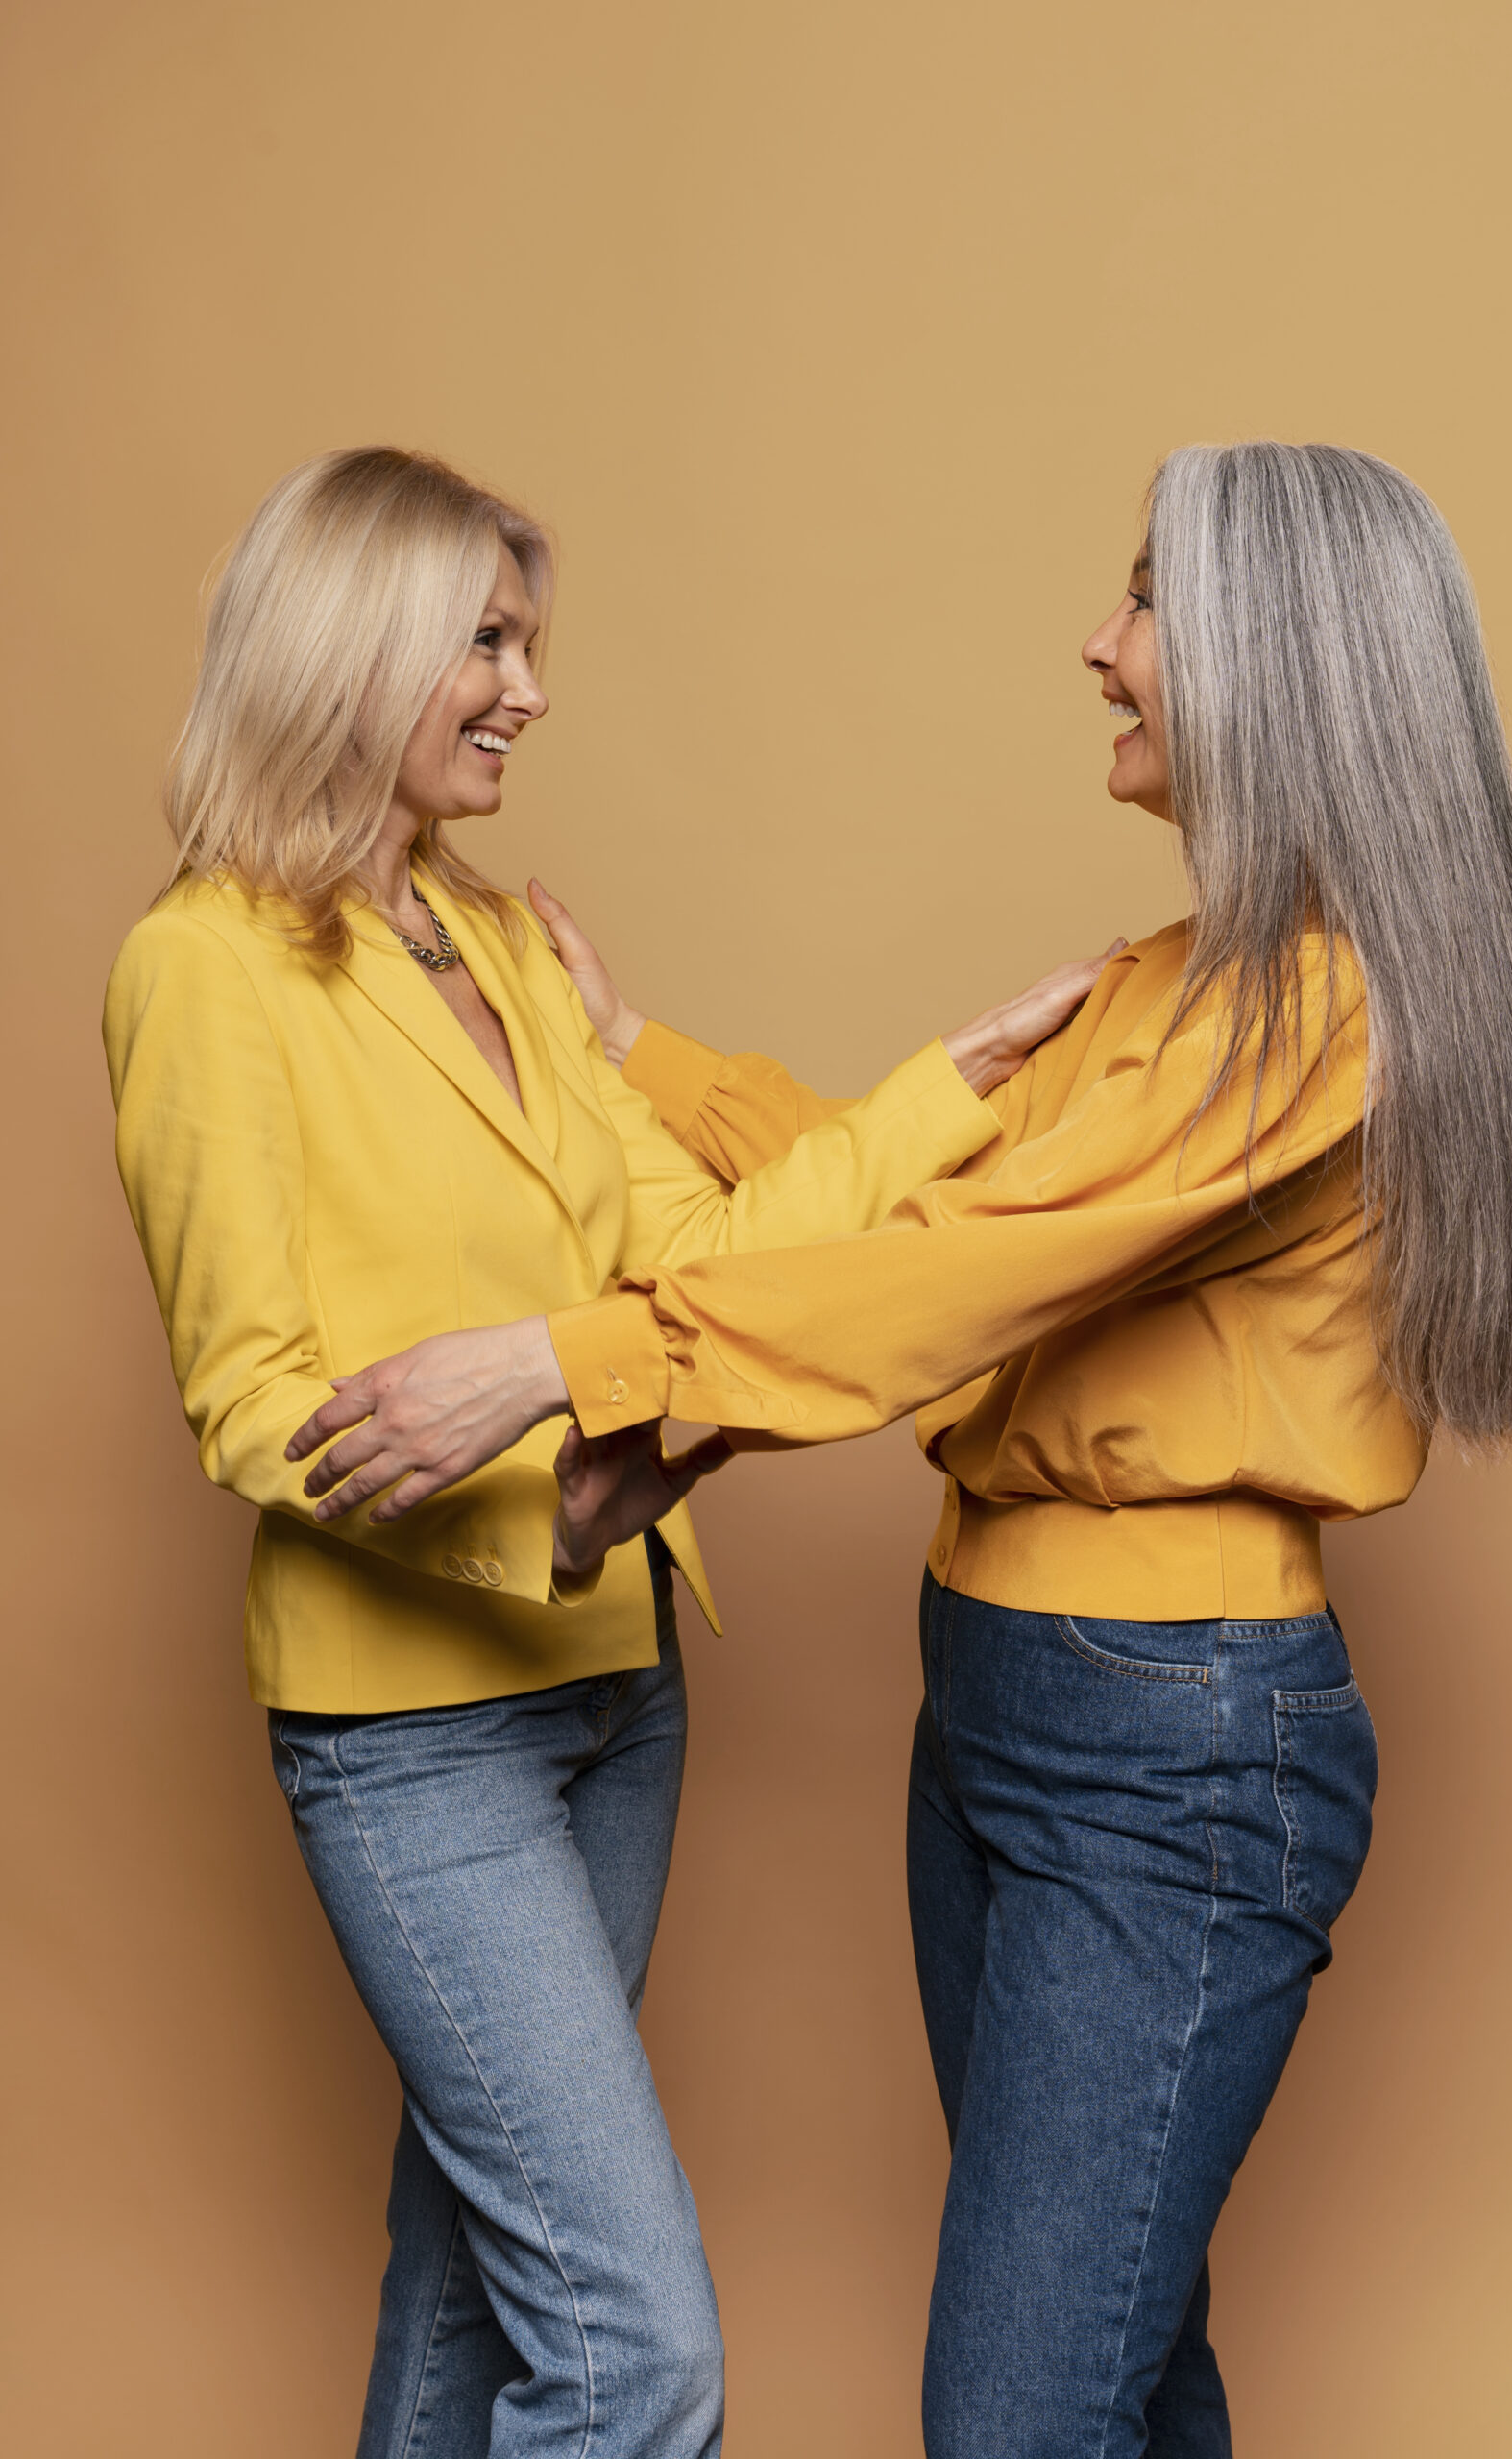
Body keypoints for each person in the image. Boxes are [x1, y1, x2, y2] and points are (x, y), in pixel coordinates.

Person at [290, 441, 1512, 2459]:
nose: (1099, 645)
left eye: (1145, 607)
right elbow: (928, 1201)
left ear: (1273, 659)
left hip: (1168, 1748)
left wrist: (565, 1360)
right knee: (1113, 2365)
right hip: (1005, 1699)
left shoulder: (1313, 1017)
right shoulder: (1174, 981)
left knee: (1022, 2414)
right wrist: (656, 1064)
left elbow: (957, 1279)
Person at [102, 444, 1114, 2459]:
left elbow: (696, 1256)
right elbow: (246, 1391)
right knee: (628, 2351)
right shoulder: (202, 965)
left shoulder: (487, 939)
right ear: (352, 646)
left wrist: (948, 1087)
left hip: (613, 1695)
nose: (527, 687)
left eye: (525, 638)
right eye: (483, 637)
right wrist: (549, 1513)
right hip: (415, 1736)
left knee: (475, 2284)